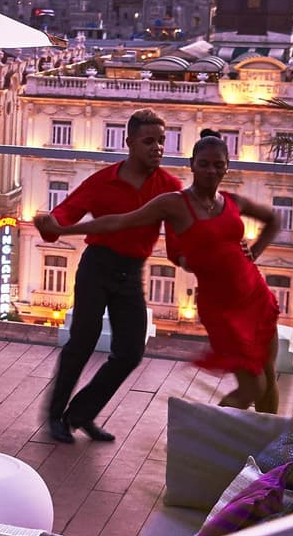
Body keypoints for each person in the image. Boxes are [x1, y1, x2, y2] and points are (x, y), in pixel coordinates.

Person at [42, 129, 282, 413]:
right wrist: (66, 229)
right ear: (192, 164)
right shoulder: (174, 204)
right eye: (204, 163)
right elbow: (119, 222)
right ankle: (205, 440)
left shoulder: (232, 201)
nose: (211, 170)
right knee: (254, 386)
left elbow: (274, 219)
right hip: (222, 307)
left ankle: (270, 449)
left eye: (218, 164)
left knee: (269, 374)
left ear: (227, 166)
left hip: (255, 296)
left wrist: (253, 253)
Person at [31, 107, 181, 443]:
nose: (157, 148)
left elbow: (180, 234)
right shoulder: (104, 180)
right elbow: (66, 212)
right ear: (129, 143)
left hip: (132, 272)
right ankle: (56, 416)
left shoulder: (169, 187)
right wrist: (50, 223)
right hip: (97, 266)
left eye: (161, 141)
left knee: (130, 352)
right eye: (148, 141)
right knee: (82, 341)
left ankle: (80, 414)